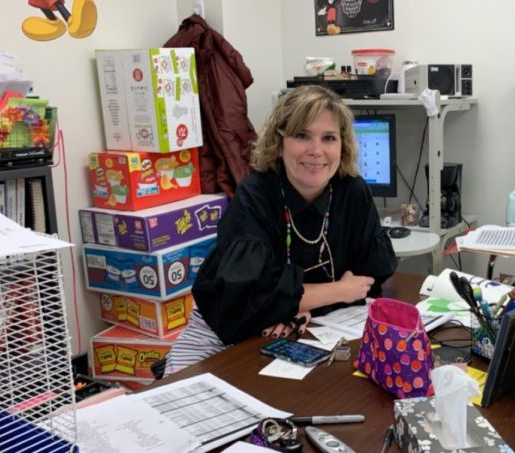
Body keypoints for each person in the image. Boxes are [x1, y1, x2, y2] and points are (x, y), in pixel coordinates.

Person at [164, 85, 397, 375]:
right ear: (280, 141)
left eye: (329, 138)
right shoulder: (255, 195)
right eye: (302, 135)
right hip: (222, 330)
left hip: (308, 325)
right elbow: (244, 299)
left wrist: (295, 305)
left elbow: (367, 277)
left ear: (343, 145)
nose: (316, 151)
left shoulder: (353, 191)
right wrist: (338, 290)